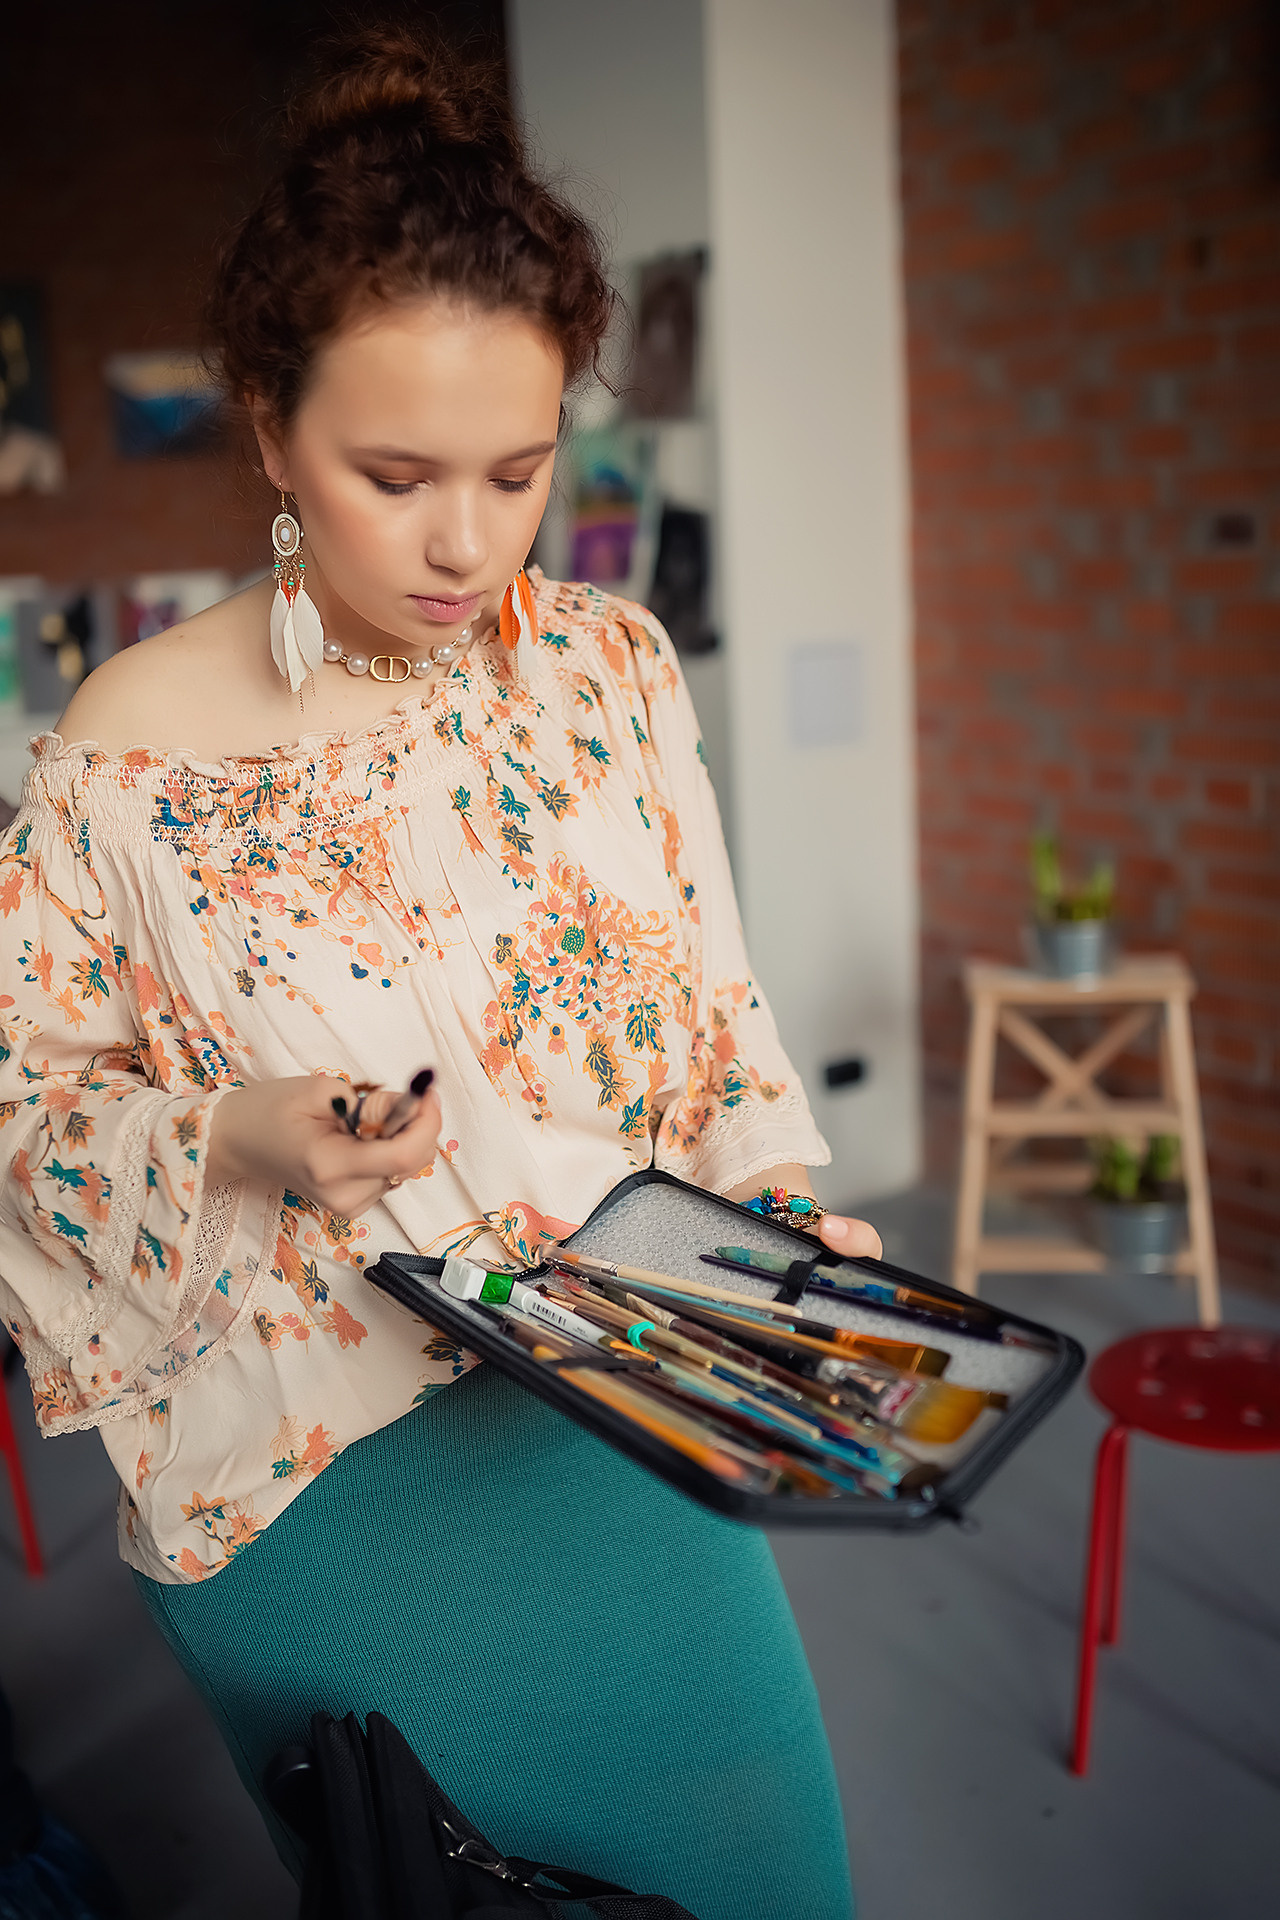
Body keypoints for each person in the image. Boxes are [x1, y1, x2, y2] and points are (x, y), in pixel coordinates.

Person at [0, 28, 879, 1920]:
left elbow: (718, 1022)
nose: (467, 542)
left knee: (774, 1884)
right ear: (267, 430)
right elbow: (22, 1117)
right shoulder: (127, 747)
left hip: (628, 1392)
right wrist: (237, 1129)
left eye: (521, 468)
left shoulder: (613, 675)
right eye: (393, 474)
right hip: (315, 1459)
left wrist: (788, 1228)